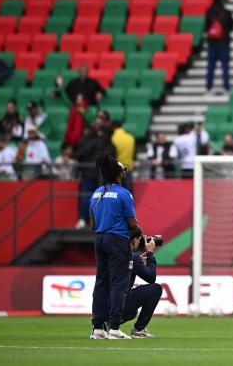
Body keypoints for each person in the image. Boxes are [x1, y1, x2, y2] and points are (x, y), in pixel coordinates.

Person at [89, 153, 139, 340]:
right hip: (117, 240)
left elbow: (93, 224)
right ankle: (115, 328)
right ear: (118, 174)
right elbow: (132, 223)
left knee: (101, 283)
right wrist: (136, 231)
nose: (125, 173)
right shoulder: (124, 194)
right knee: (119, 284)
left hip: (99, 239)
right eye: (123, 171)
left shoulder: (96, 193)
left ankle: (98, 329)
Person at [119, 225, 162, 339]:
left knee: (133, 312)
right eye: (140, 238)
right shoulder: (133, 258)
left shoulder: (115, 254)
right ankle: (139, 330)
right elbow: (151, 278)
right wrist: (150, 254)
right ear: (135, 240)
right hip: (119, 303)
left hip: (104, 306)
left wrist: (139, 261)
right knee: (156, 289)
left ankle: (108, 324)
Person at [74, 117, 117, 229]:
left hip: (89, 174)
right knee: (101, 199)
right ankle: (99, 222)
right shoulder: (112, 146)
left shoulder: (93, 142)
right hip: (102, 177)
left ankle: (83, 220)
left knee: (86, 197)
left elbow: (81, 154)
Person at [206, 0, 233, 93]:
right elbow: (232, 26)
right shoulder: (226, 13)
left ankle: (208, 88)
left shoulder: (209, 12)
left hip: (212, 44)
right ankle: (226, 87)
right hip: (223, 44)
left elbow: (206, 27)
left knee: (210, 67)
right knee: (225, 67)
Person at [111, 121, 135, 191]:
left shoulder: (112, 138)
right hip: (128, 168)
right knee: (128, 191)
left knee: (116, 192)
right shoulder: (131, 138)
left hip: (116, 169)